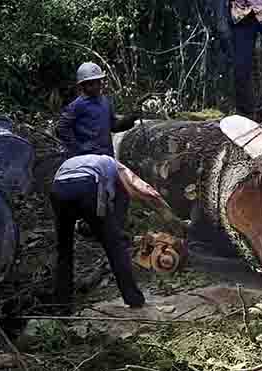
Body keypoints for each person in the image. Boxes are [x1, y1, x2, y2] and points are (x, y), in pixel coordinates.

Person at [50, 154, 182, 311]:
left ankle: (62, 304)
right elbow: (142, 189)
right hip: (87, 185)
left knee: (64, 250)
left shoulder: (76, 162)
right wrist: (170, 216)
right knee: (115, 247)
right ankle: (134, 299)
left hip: (58, 190)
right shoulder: (114, 165)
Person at [57, 62, 138, 158]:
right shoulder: (77, 105)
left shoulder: (105, 101)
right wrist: (77, 148)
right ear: (82, 86)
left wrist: (129, 120)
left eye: (98, 82)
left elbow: (113, 126)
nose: (96, 86)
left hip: (106, 155)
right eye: (91, 84)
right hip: (86, 158)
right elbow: (61, 128)